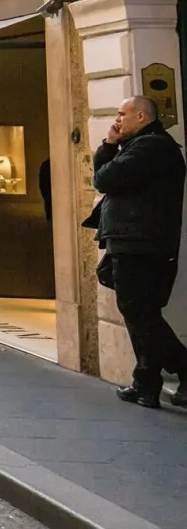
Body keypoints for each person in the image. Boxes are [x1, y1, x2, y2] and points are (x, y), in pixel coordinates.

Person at [90, 96, 187, 409]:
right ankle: (148, 381)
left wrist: (109, 143)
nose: (118, 120)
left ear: (141, 116)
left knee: (140, 313)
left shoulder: (152, 147)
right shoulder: (143, 146)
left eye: (122, 114)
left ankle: (157, 377)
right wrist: (110, 146)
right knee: (141, 313)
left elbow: (104, 179)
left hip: (140, 245)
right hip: (134, 242)